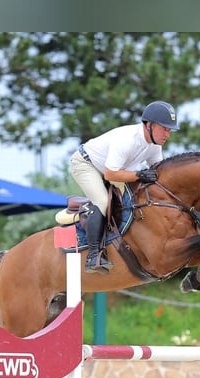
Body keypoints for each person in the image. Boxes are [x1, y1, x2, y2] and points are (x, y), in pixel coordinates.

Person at [70, 100, 179, 274]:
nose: (168, 134)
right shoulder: (127, 140)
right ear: (149, 125)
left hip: (112, 169)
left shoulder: (153, 145)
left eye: (169, 130)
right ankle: (93, 256)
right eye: (164, 128)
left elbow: (158, 172)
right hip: (86, 164)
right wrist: (139, 175)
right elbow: (111, 174)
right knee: (103, 200)